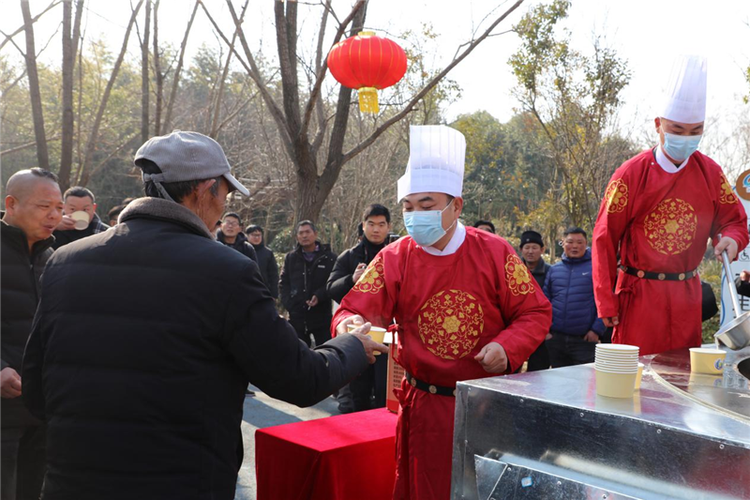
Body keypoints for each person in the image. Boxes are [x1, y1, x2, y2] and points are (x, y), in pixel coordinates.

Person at [21, 131, 385, 500]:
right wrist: (352, 346)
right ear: (204, 190)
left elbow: (35, 390)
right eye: (224, 194)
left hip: (73, 482)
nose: (223, 206)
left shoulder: (66, 261)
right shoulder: (226, 270)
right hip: (181, 482)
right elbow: (299, 378)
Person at [331, 125, 551, 500]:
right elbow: (352, 308)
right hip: (425, 407)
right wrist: (349, 325)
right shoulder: (395, 257)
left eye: (428, 206)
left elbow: (535, 312)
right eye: (408, 207)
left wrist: (508, 346)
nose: (416, 216)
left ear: (456, 206)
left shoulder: (495, 252)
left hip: (487, 404)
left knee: (483, 489)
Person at [592, 55, 748, 356]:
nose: (686, 138)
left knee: (680, 381)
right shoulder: (630, 174)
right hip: (638, 296)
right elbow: (604, 238)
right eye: (677, 129)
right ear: (658, 125)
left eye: (695, 130)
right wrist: (605, 300)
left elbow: (734, 222)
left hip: (686, 297)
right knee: (635, 382)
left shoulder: (710, 173)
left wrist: (731, 238)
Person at [1, 168, 63, 500]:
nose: (54, 215)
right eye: (44, 206)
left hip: (42, 409)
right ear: (11, 204)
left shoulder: (53, 260)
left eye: (59, 207)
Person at [327, 204, 392, 413]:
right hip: (358, 333)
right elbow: (331, 289)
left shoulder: (397, 253)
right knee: (357, 394)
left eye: (381, 224)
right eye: (371, 224)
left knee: (384, 393)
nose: (376, 229)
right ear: (363, 226)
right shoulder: (349, 256)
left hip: (389, 336)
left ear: (388, 227)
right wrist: (351, 280)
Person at [544, 228, 605, 368]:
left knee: (584, 382)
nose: (575, 246)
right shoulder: (554, 270)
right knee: (559, 380)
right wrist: (545, 331)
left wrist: (596, 330)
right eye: (570, 242)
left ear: (587, 244)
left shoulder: (596, 268)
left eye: (580, 242)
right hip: (556, 339)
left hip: (584, 340)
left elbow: (604, 301)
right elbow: (544, 301)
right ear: (563, 243)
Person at [279, 221, 338, 348]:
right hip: (297, 316)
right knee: (297, 355)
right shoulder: (291, 258)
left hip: (322, 316)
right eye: (301, 233)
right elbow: (284, 283)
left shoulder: (329, 258)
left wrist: (319, 295)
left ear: (315, 234)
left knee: (326, 352)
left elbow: (333, 283)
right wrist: (290, 304)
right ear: (297, 237)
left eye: (307, 232)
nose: (304, 236)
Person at [519, 230, 552, 371]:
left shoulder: (551, 272)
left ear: (542, 250)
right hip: (518, 329)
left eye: (534, 247)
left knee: (538, 373)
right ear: (521, 250)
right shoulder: (512, 271)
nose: (530, 251)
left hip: (542, 333)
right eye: (527, 248)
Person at [246, 225, 279, 298]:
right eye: (253, 235)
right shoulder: (243, 250)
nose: (256, 238)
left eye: (259, 235)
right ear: (247, 236)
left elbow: (273, 275)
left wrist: (274, 294)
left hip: (263, 291)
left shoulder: (268, 253)